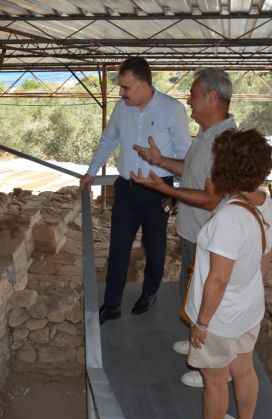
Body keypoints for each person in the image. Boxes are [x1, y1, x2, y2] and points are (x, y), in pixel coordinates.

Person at [132, 68, 236, 387]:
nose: (188, 100)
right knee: (191, 292)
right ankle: (196, 343)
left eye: (193, 94)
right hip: (194, 233)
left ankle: (208, 369)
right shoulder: (206, 135)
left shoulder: (224, 142)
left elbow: (210, 198)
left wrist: (167, 191)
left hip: (209, 237)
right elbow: (190, 172)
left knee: (207, 299)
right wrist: (161, 160)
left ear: (212, 98)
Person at [174, 128, 272, 419]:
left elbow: (217, 280)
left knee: (215, 381)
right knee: (244, 370)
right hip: (249, 309)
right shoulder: (265, 203)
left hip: (220, 319)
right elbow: (263, 262)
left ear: (226, 167)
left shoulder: (229, 219)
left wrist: (202, 323)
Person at [80, 57, 191, 325]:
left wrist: (178, 190)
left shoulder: (172, 109)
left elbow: (185, 154)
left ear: (143, 85)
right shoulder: (121, 109)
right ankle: (111, 304)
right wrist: (92, 171)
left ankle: (149, 294)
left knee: (155, 247)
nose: (122, 93)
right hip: (127, 189)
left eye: (126, 87)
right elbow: (109, 139)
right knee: (118, 247)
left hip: (158, 190)